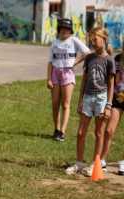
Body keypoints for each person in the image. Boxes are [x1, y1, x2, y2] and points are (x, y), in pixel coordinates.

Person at [65, 27, 115, 176]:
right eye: (91, 40)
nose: (93, 42)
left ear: (104, 39)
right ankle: (80, 163)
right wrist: (80, 100)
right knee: (81, 132)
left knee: (99, 133)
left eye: (95, 39)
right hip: (87, 97)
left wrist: (108, 105)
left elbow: (111, 85)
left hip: (101, 98)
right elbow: (84, 80)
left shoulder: (109, 60)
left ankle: (95, 164)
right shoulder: (89, 58)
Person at [47, 18, 90, 141]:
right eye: (62, 28)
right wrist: (48, 79)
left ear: (70, 30)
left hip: (67, 73)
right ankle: (56, 128)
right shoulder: (54, 43)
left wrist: (75, 62)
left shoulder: (74, 40)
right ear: (59, 29)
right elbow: (50, 62)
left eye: (67, 29)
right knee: (55, 103)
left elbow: (87, 52)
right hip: (55, 73)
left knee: (65, 104)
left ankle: (62, 131)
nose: (64, 31)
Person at [100, 42, 124, 175]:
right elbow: (112, 79)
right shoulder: (117, 60)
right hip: (118, 99)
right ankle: (102, 159)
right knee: (109, 131)